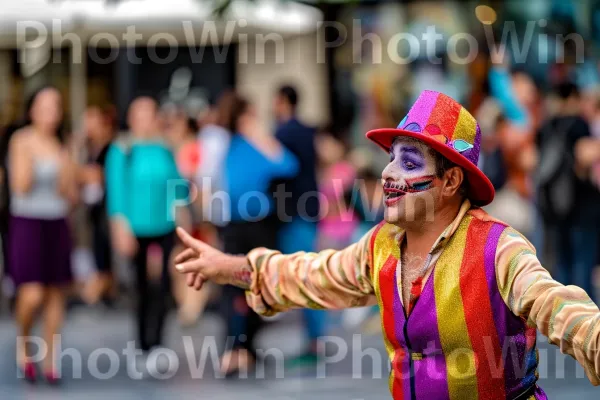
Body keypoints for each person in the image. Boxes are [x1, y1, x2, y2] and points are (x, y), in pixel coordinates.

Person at [175, 91, 600, 399]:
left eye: (410, 162)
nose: (388, 174)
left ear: (451, 180)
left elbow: (561, 310)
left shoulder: (498, 248)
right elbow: (308, 275)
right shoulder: (381, 245)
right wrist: (227, 267)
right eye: (391, 158)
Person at [217, 92, 298, 376]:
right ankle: (233, 348)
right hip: (234, 224)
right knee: (231, 284)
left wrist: (262, 138)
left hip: (260, 223)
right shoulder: (226, 145)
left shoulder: (259, 145)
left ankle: (248, 347)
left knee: (260, 284)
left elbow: (288, 164)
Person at [105, 96, 186, 375]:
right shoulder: (122, 149)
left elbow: (178, 184)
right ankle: (142, 345)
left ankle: (158, 342)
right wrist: (120, 226)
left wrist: (181, 216)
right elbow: (115, 190)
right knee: (140, 287)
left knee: (163, 286)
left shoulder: (165, 148)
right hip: (134, 228)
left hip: (163, 226)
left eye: (149, 113)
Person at [8, 86, 78, 383]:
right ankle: (24, 342)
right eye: (45, 106)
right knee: (32, 292)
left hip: (57, 221)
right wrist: (44, 161)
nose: (51, 113)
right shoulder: (21, 140)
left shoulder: (64, 144)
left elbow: (70, 193)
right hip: (27, 222)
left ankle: (50, 360)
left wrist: (65, 162)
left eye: (56, 106)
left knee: (54, 294)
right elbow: (21, 185)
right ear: (32, 109)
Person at [272, 85, 325, 362]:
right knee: (307, 273)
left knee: (302, 276)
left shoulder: (283, 133)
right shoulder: (308, 131)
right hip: (309, 210)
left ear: (282, 102)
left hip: (292, 214)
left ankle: (314, 343)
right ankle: (314, 339)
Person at [536, 82, 600, 302]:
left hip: (555, 207)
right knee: (583, 266)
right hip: (583, 206)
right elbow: (584, 157)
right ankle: (587, 325)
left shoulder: (547, 126)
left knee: (561, 268)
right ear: (573, 97)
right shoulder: (579, 125)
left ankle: (563, 325)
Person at [79, 106, 116, 306]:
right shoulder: (88, 147)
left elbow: (99, 176)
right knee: (98, 250)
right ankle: (104, 290)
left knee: (106, 252)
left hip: (108, 209)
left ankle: (101, 291)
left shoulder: (112, 148)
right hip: (93, 210)